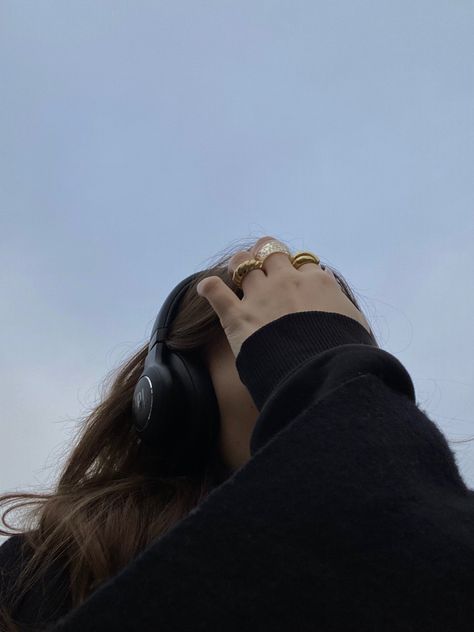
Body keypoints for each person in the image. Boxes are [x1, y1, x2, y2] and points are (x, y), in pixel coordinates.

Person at [1, 235, 473, 631]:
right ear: (174, 391)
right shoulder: (47, 569)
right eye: (267, 336)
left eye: (334, 344)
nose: (301, 360)